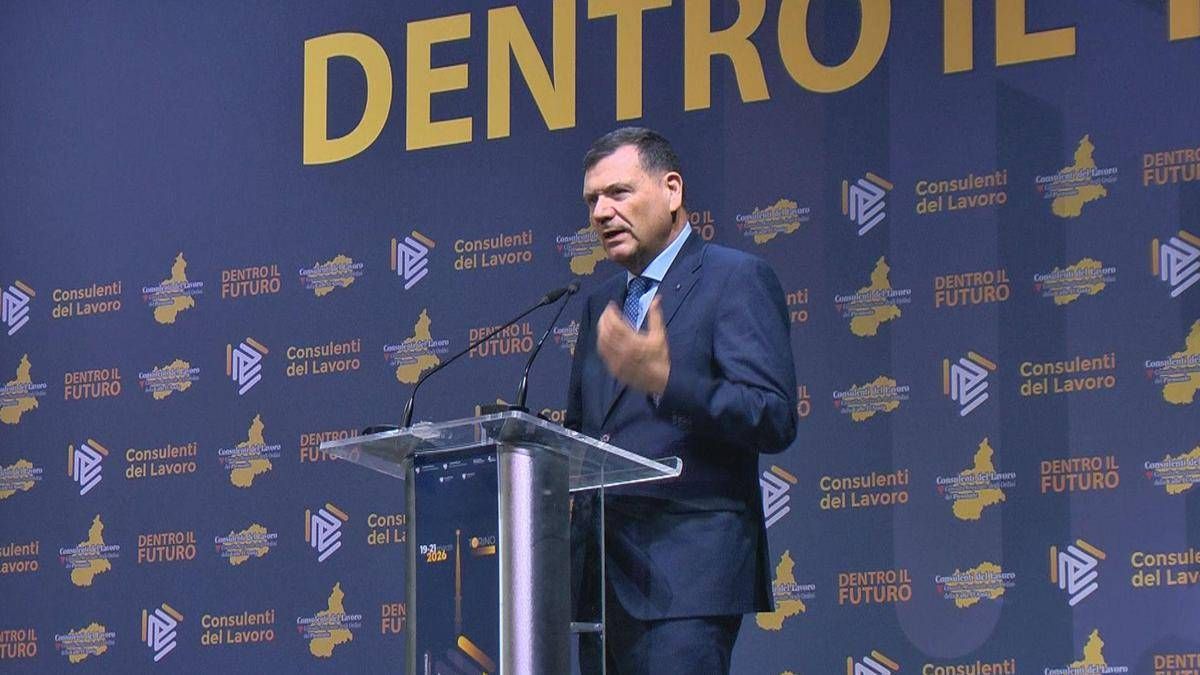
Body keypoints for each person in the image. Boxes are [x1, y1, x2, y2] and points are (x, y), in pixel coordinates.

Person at [565, 127, 798, 674]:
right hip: (600, 586)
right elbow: (582, 434)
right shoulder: (600, 304)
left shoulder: (735, 279)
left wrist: (666, 382)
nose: (601, 212)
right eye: (592, 200)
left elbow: (773, 416)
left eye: (618, 193)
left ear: (671, 190)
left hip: (684, 578)